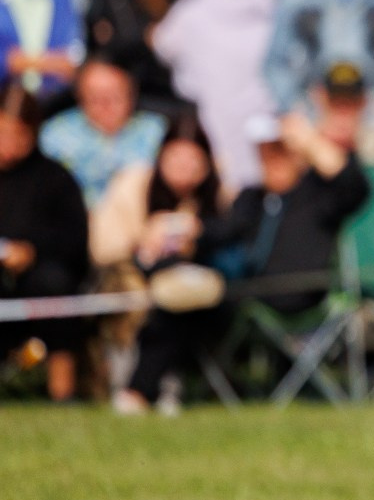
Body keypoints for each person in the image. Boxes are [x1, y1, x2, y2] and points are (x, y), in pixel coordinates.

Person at [91, 112, 227, 416]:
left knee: (178, 300)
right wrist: (144, 239)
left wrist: (197, 233)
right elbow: (104, 248)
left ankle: (141, 389)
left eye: (193, 162)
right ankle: (151, 386)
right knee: (157, 301)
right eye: (176, 159)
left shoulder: (215, 196)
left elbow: (229, 237)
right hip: (127, 277)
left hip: (193, 294)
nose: (184, 170)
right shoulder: (134, 184)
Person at [207, 112, 372, 317]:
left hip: (298, 303)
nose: (272, 157)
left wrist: (310, 142)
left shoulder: (317, 194)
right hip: (245, 302)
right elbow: (220, 233)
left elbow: (356, 187)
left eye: (280, 148)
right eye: (264, 149)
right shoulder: (251, 198)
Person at [151, 0, 278, 194]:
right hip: (255, 119)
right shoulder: (271, 1)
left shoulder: (191, 10)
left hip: (221, 119)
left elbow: (162, 45)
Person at [0, 83, 91, 402]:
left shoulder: (55, 179)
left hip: (40, 277)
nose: (9, 145)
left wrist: (31, 250)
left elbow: (75, 240)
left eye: (18, 136)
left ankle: (62, 392)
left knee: (56, 285)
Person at [39, 56, 167, 205]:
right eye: (95, 98)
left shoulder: (157, 131)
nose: (106, 106)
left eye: (114, 97)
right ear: (80, 97)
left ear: (132, 95)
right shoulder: (55, 135)